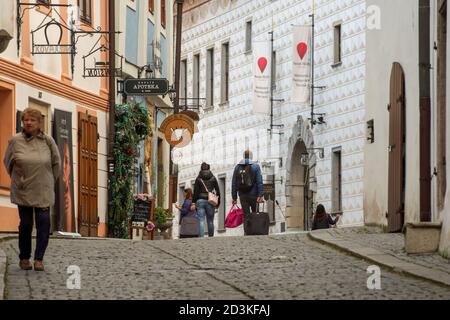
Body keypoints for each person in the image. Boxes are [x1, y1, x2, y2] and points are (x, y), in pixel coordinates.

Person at [3, 108, 61, 272]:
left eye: (32, 120)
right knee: (26, 224)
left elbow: (56, 163)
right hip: (23, 188)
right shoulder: (15, 140)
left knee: (43, 223)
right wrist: (19, 178)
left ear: (39, 123)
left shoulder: (48, 141)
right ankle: (24, 258)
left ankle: (39, 259)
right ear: (23, 122)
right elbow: (8, 162)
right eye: (26, 120)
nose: (28, 123)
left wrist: (49, 180)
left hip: (43, 188)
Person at [231, 150, 264, 235]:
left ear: (243, 156)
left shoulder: (237, 167)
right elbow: (259, 181)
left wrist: (234, 197)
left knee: (246, 215)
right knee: (255, 213)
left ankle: (247, 232)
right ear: (251, 156)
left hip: (243, 195)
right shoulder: (256, 166)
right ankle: (255, 231)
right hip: (254, 194)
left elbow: (234, 183)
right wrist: (260, 194)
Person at [193, 162, 220, 237]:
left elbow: (195, 192)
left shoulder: (198, 179)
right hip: (210, 201)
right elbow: (218, 190)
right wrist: (218, 202)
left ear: (201, 169)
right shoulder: (213, 178)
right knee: (210, 220)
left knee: (201, 220)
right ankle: (211, 237)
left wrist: (193, 202)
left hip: (200, 200)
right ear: (209, 168)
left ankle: (201, 237)